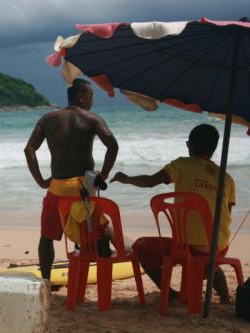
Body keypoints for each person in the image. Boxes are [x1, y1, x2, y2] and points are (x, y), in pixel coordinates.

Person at [110, 123, 235, 303]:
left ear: (189, 145)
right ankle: (224, 297)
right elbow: (226, 214)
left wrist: (126, 179)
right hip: (220, 247)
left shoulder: (182, 165)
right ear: (214, 148)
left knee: (140, 247)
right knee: (208, 254)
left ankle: (170, 294)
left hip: (187, 247)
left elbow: (151, 181)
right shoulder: (227, 177)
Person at [24, 78, 119, 282]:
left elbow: (29, 149)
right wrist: (103, 175)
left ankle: (46, 281)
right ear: (81, 97)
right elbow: (113, 145)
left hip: (57, 188)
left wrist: (41, 181)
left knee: (47, 237)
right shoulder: (92, 119)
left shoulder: (48, 119)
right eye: (91, 95)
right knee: (97, 231)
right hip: (83, 188)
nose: (93, 100)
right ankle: (103, 264)